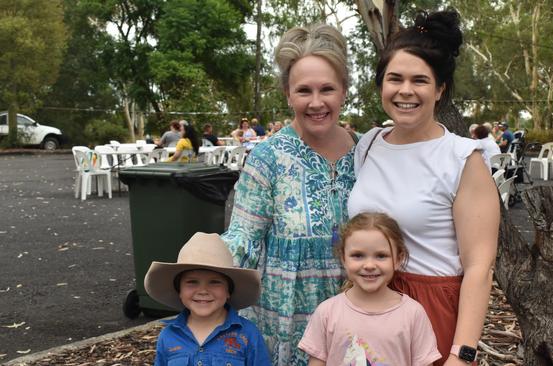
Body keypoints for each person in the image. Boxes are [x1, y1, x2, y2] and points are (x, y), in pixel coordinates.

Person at [348, 10, 499, 366]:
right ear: (381, 85)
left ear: (439, 90)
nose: (405, 91)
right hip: (368, 303)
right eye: (394, 78)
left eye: (420, 80)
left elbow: (480, 267)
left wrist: (461, 354)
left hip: (431, 311)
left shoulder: (462, 158)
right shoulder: (368, 145)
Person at [221, 23, 356, 365]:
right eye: (303, 91)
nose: (316, 102)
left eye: (327, 89)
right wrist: (204, 278)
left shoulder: (368, 152)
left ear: (344, 91)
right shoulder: (268, 158)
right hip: (286, 321)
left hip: (358, 313)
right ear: (287, 94)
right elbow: (243, 239)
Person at [299, 212, 441, 365]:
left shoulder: (413, 314)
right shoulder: (326, 313)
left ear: (398, 259)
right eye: (358, 255)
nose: (369, 265)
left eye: (381, 256)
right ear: (343, 258)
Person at [144, 232, 271, 365]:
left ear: (228, 291)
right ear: (179, 291)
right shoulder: (168, 336)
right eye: (192, 282)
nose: (203, 291)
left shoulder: (248, 335)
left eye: (214, 282)